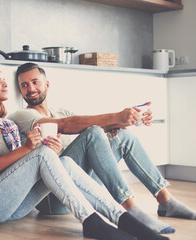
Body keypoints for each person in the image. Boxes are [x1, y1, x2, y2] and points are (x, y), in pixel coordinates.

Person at [0, 66, 169, 240]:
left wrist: (42, 151)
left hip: (15, 208)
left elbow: (18, 170)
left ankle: (122, 218)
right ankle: (92, 221)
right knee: (44, 153)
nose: (6, 83)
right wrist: (30, 150)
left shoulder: (7, 126)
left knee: (62, 160)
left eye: (4, 79)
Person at [10, 62, 196, 235]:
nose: (31, 89)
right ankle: (130, 210)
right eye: (24, 85)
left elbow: (92, 128)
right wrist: (116, 116)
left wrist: (130, 118)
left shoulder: (62, 111)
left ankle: (166, 200)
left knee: (123, 137)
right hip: (52, 199)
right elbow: (68, 125)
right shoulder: (22, 115)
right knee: (93, 132)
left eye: (35, 82)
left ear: (47, 84)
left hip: (79, 188)